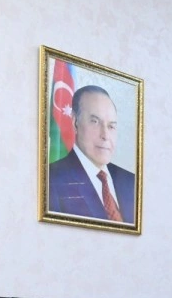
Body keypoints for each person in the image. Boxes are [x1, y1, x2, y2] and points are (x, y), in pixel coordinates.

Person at [48, 84, 136, 223]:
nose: (105, 135)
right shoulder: (51, 179)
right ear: (75, 122)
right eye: (95, 122)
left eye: (111, 126)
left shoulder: (131, 182)